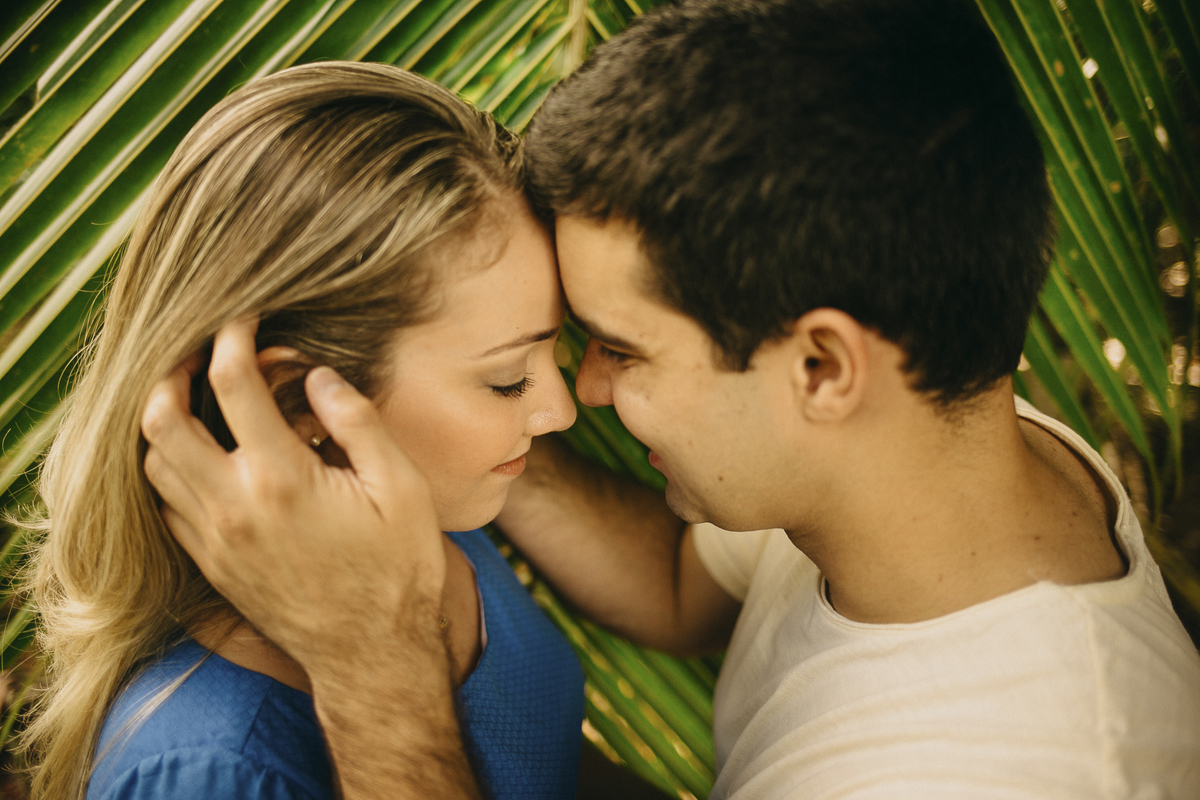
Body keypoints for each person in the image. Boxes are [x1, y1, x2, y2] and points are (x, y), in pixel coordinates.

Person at [142, 0, 1200, 797]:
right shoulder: (937, 460)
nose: (580, 395)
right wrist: (451, 424)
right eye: (535, 367)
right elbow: (680, 583)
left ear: (822, 368)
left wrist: (374, 666)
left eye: (618, 349)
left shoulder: (1024, 769)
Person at [20, 62, 590, 800]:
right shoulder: (213, 771)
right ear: (302, 407)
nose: (561, 411)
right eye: (506, 378)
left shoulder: (421, 512)